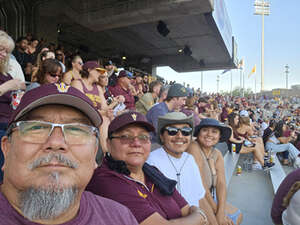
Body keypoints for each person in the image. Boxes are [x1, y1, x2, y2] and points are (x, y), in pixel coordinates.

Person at [0, 83, 139, 224]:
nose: (56, 143)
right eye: (36, 127)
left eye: (76, 130)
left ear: (94, 154)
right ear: (6, 149)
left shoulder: (120, 218)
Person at [86, 111, 208, 225]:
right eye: (125, 137)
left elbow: (186, 209)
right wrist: (199, 216)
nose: (136, 143)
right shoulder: (105, 180)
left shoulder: (152, 172)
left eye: (143, 137)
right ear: (108, 144)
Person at [147, 112, 218, 225]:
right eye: (172, 131)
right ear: (161, 136)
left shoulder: (190, 159)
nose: (180, 136)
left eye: (185, 131)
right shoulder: (151, 163)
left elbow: (200, 198)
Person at [187, 118, 243, 225]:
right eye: (205, 130)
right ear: (198, 133)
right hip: (196, 199)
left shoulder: (217, 154)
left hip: (210, 197)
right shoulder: (193, 147)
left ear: (219, 136)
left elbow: (221, 184)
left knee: (237, 215)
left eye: (214, 132)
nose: (209, 134)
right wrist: (217, 212)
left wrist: (220, 212)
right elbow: (200, 185)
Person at [0, 30, 26, 182]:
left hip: (10, 124)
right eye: (1, 49)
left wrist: (19, 90)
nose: (3, 54)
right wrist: (8, 86)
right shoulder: (7, 79)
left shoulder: (5, 73)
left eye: (7, 51)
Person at [71, 61, 112, 153]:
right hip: (82, 116)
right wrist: (103, 113)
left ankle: (107, 153)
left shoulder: (98, 88)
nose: (100, 75)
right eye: (98, 71)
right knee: (104, 119)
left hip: (96, 118)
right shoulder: (77, 83)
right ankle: (106, 153)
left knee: (109, 118)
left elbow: (105, 107)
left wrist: (110, 111)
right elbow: (81, 106)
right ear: (89, 70)